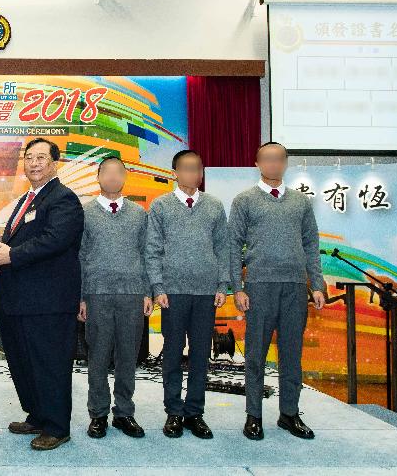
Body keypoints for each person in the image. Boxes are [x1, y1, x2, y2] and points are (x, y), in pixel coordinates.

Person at [0, 138, 84, 451]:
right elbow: (29, 239)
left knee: (49, 364)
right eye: (29, 157)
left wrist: (11, 254)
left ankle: (56, 427)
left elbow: (53, 240)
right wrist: (2, 241)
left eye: (41, 157)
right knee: (25, 363)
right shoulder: (29, 197)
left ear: (56, 163)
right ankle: (38, 416)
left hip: (48, 302)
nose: (34, 163)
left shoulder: (63, 199)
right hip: (20, 301)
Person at [228, 141, 326, 441]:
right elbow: (232, 245)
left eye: (278, 159)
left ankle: (289, 414)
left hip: (295, 288)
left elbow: (311, 245)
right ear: (257, 163)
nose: (272, 164)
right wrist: (237, 288)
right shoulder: (244, 200)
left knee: (291, 355)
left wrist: (317, 284)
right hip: (259, 287)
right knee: (256, 355)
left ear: (285, 163)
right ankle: (254, 416)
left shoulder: (300, 202)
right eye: (266, 159)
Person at [145, 149, 229, 440]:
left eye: (197, 169)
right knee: (171, 353)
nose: (192, 174)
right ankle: (173, 411)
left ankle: (195, 412)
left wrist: (222, 285)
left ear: (202, 173)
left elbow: (223, 249)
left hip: (206, 293)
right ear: (175, 172)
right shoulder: (160, 206)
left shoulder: (215, 206)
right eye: (186, 168)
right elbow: (152, 250)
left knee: (200, 354)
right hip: (173, 293)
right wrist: (158, 287)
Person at [77, 155, 153, 440]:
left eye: (117, 172)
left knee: (127, 357)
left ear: (124, 177)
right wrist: (81, 297)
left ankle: (124, 412)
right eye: (106, 172)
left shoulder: (138, 213)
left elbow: (147, 254)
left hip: (132, 295)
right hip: (96, 295)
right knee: (97, 357)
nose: (112, 177)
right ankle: (98, 414)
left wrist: (148, 292)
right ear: (98, 177)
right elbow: (79, 257)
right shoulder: (85, 213)